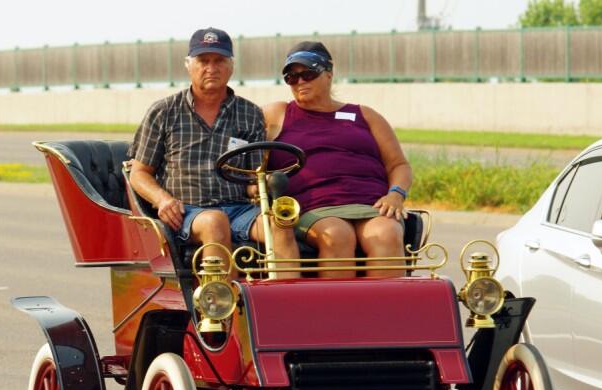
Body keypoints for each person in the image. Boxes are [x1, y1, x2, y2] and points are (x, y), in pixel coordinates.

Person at [129, 28, 298, 276]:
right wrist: (162, 200)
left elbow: (251, 178)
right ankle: (225, 309)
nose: (211, 67)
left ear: (231, 67)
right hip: (188, 211)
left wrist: (266, 184)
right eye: (203, 60)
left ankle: (284, 304)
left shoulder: (249, 114)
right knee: (214, 221)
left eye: (219, 60)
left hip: (239, 209)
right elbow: (139, 173)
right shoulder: (164, 111)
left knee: (280, 225)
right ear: (188, 65)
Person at [264, 41, 413, 279]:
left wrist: (396, 194)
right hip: (315, 208)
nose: (300, 81)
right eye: (292, 77)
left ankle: (385, 314)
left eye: (308, 74)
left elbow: (399, 165)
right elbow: (246, 147)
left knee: (387, 233)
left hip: (371, 204)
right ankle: (337, 315)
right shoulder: (277, 113)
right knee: (336, 235)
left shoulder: (364, 115)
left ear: (329, 74)